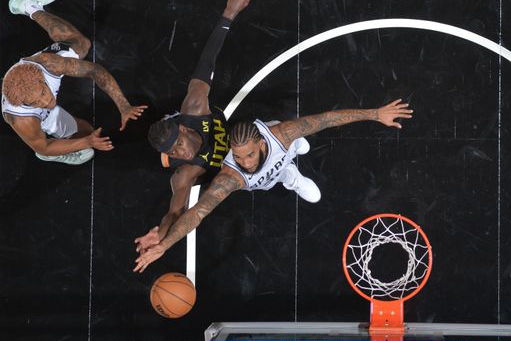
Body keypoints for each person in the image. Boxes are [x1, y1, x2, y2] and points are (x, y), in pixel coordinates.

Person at [133, 99, 413, 272]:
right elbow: (197, 213)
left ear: (261, 144)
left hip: (282, 148)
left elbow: (327, 119)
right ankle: (292, 178)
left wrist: (376, 114)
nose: (246, 162)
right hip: (269, 178)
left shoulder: (281, 134)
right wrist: (165, 244)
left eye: (250, 154)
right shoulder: (231, 176)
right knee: (275, 177)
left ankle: (292, 160)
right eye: (239, 156)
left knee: (296, 144)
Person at [133, 0, 254, 253]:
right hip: (212, 165)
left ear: (184, 128)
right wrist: (160, 236)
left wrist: (229, 13)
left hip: (207, 122)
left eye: (177, 145)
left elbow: (207, 61)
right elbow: (174, 214)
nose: (181, 153)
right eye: (174, 151)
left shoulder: (196, 106)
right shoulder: (185, 172)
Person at [1, 0, 147, 164]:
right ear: (26, 104)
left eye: (43, 94)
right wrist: (86, 141)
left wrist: (123, 105)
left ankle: (29, 5)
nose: (46, 102)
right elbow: (43, 146)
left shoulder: (47, 64)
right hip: (36, 122)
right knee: (85, 132)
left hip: (26, 73)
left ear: (41, 77)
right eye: (36, 103)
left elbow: (94, 70)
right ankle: (53, 156)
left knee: (81, 44)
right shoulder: (22, 119)